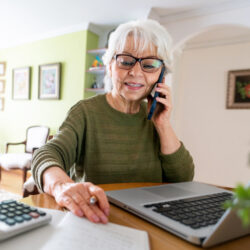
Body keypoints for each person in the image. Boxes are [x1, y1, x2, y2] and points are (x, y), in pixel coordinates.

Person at [31, 19, 194, 225]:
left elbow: (183, 179)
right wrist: (61, 186)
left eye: (150, 64)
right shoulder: (85, 112)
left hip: (151, 222)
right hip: (96, 219)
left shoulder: (156, 118)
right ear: (109, 65)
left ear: (160, 75)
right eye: (126, 61)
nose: (136, 72)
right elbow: (47, 154)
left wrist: (163, 124)